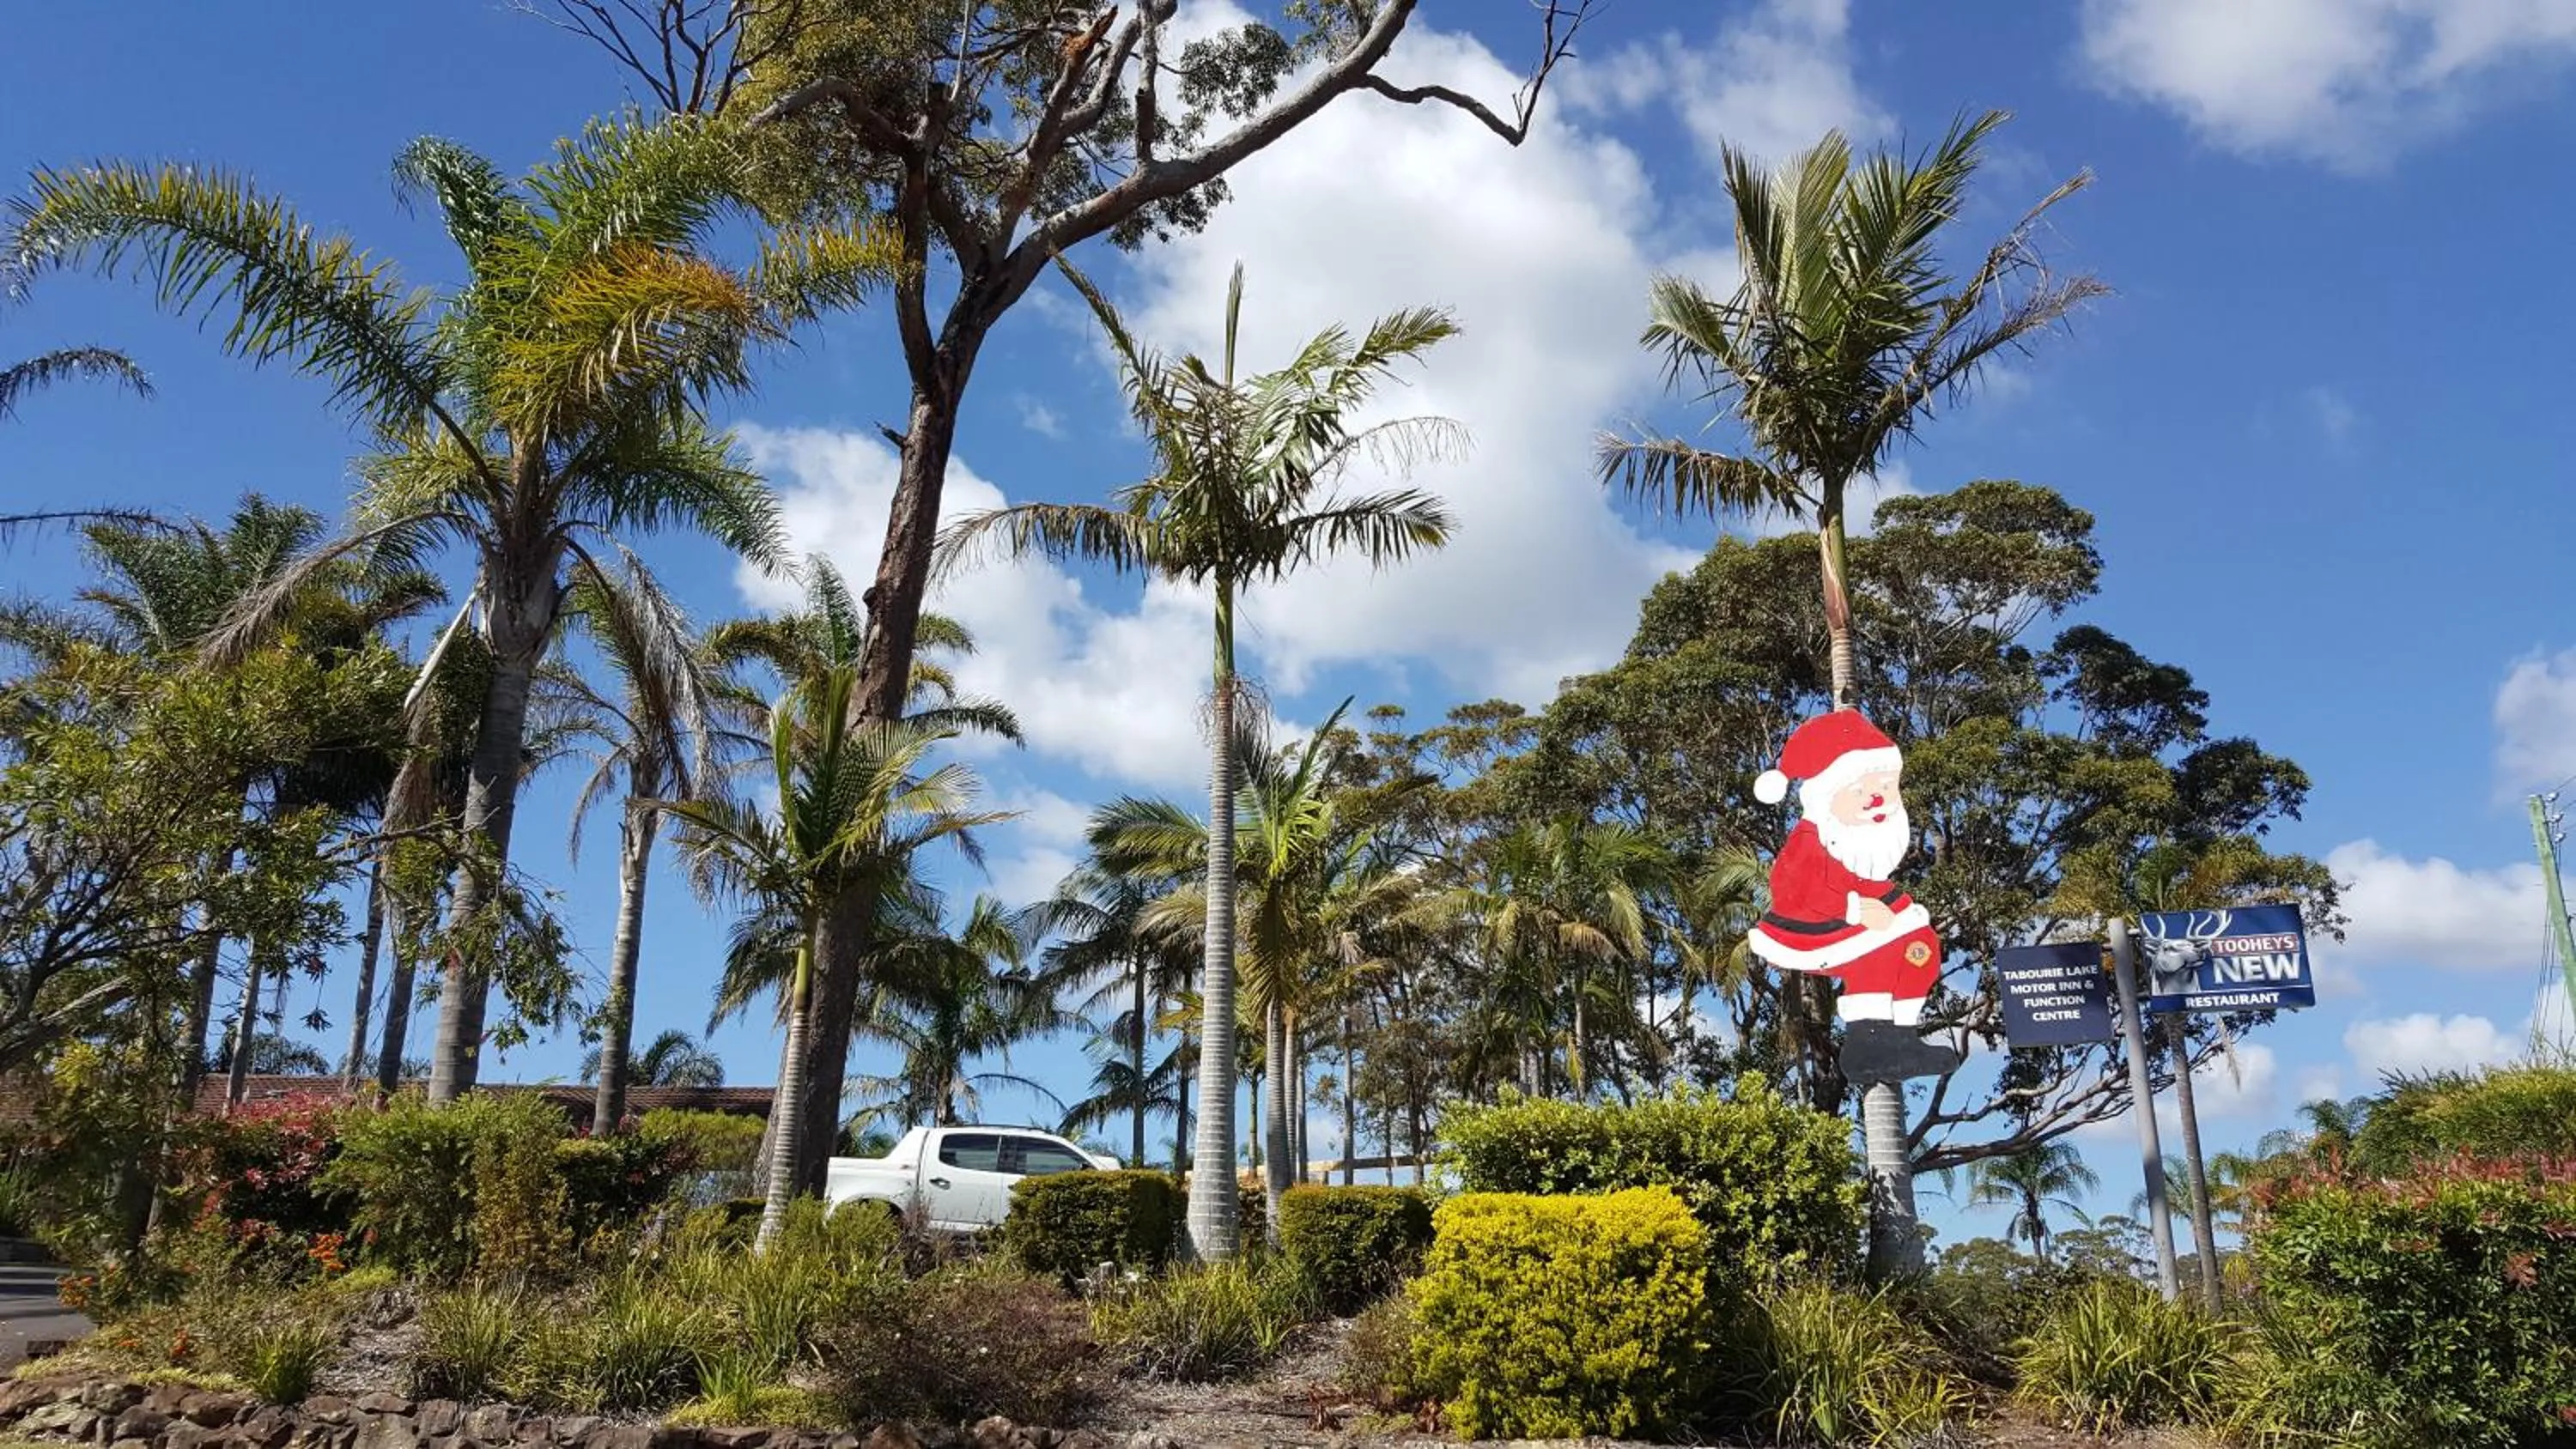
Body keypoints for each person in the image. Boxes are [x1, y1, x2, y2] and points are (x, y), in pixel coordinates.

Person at [1747, 709, 1962, 1084]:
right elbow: (1792, 887)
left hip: (1873, 909)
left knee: (1920, 948)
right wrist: (1852, 909)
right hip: (1819, 924)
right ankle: (1869, 1041)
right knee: (1876, 958)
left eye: (1885, 787)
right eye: (1861, 790)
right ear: (1827, 795)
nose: (1877, 799)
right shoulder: (1810, 840)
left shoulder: (1867, 845)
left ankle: (1902, 1037)